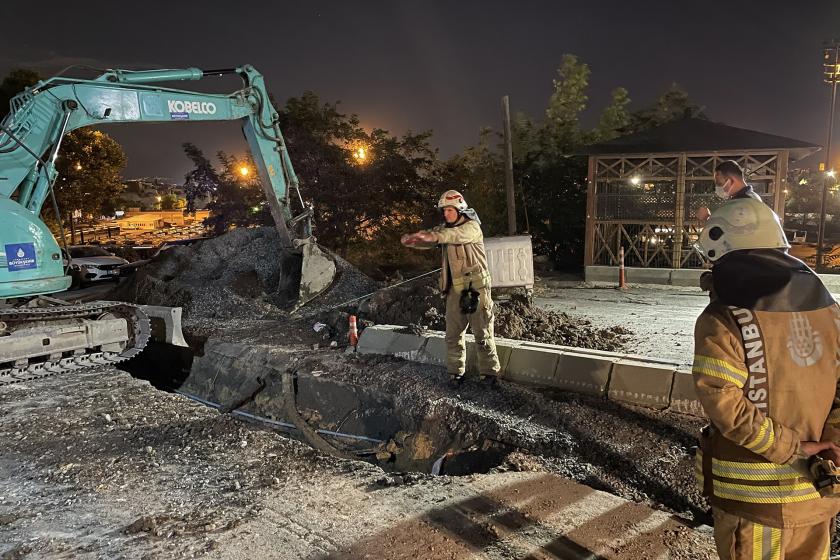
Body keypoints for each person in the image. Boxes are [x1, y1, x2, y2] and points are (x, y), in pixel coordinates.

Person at [693, 197, 840, 559]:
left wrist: (791, 447)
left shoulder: (723, 318)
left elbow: (723, 402)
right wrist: (832, 443)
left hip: (754, 506)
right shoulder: (829, 311)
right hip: (817, 495)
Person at [401, 190, 500, 385]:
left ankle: (489, 373)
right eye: (444, 211)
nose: (446, 214)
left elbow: (452, 236)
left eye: (449, 210)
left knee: (483, 333)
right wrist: (415, 241)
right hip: (455, 289)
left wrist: (433, 237)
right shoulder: (445, 229)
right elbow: (434, 238)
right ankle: (456, 372)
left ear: (460, 209)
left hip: (476, 288)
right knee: (453, 334)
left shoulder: (472, 227)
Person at [696, 160, 763, 224]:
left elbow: (732, 232)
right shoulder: (746, 198)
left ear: (731, 180)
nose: (718, 188)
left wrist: (707, 219)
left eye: (719, 184)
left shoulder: (747, 202)